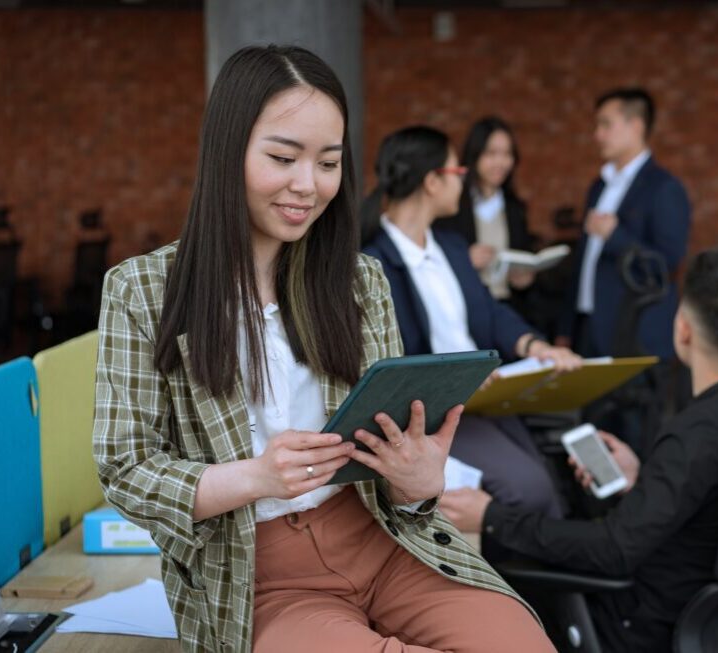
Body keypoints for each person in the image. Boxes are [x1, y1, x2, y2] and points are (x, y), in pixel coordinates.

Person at [93, 45, 555, 653]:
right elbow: (126, 469)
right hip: (259, 576)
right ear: (229, 150)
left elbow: (397, 463)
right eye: (283, 157)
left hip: (383, 542)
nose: (307, 186)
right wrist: (254, 476)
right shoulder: (142, 290)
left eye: (329, 163)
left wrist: (416, 481)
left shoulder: (360, 281)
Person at [440, 248, 718, 652]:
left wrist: (492, 516)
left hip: (642, 623)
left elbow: (613, 551)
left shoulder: (695, 433)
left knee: (499, 588)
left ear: (683, 330)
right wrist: (645, 480)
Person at [360, 126, 582, 551]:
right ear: (432, 180)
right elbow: (388, 356)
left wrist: (536, 347)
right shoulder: (373, 263)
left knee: (552, 483)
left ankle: (547, 593)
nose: (463, 180)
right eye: (457, 170)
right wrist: (457, 379)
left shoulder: (452, 246)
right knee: (529, 490)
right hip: (437, 412)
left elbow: (490, 313)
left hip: (487, 400)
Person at [557, 87, 691, 360]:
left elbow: (666, 265)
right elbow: (585, 261)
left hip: (635, 334)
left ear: (636, 126)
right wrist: (566, 327)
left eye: (606, 124)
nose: (597, 135)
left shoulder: (664, 188)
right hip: (588, 327)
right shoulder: (599, 186)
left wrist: (615, 236)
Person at [435, 116, 536, 309]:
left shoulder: (515, 208)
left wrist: (524, 278)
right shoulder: (452, 206)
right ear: (475, 155)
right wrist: (464, 260)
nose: (501, 162)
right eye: (491, 153)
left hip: (506, 307)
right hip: (464, 306)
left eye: (507, 154)